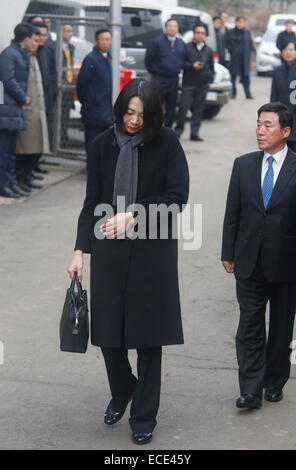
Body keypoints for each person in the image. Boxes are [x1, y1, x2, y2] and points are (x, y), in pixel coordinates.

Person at [67, 79, 189, 445]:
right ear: (120, 110)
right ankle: (123, 388)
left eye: (141, 114)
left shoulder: (166, 142)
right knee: (108, 334)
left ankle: (144, 416)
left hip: (152, 253)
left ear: (153, 115)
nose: (134, 121)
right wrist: (78, 251)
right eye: (128, 112)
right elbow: (92, 201)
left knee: (149, 339)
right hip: (109, 249)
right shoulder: (103, 144)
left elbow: (177, 196)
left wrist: (133, 214)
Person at [221, 102, 296, 410]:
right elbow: (232, 212)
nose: (260, 131)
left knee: (280, 329)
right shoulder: (244, 165)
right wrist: (228, 251)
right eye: (258, 124)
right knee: (249, 326)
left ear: (286, 131)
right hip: (248, 259)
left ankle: (275, 380)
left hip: (287, 262)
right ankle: (250, 389)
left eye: (268, 125)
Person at [0, 23, 38, 198]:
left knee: (10, 152)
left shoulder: (20, 54)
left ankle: (11, 183)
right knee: (4, 152)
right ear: (26, 38)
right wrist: (23, 97)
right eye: (33, 38)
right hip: (7, 110)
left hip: (14, 110)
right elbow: (8, 80)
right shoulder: (9, 54)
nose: (35, 42)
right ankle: (4, 184)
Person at [15, 25, 49, 193]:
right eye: (34, 40)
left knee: (32, 147)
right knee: (23, 149)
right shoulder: (16, 57)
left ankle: (27, 177)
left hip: (35, 109)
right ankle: (20, 179)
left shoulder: (34, 57)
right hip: (26, 109)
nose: (37, 43)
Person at [76, 29, 113, 170]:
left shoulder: (108, 58)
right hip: (94, 109)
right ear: (96, 41)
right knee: (92, 143)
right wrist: (89, 100)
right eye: (103, 39)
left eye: (108, 39)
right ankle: (92, 171)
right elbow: (82, 84)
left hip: (105, 108)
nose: (106, 42)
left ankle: (101, 170)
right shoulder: (91, 59)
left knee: (105, 142)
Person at [174, 23, 214, 141]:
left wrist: (209, 77)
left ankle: (194, 133)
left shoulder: (208, 50)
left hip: (202, 84)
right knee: (183, 108)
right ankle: (178, 130)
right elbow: (181, 63)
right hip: (188, 83)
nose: (200, 35)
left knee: (198, 109)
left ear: (205, 35)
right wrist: (192, 66)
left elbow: (212, 66)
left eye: (202, 33)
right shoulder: (187, 48)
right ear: (194, 34)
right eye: (198, 33)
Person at [145, 19, 185, 128]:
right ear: (165, 28)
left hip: (174, 78)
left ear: (177, 28)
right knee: (157, 104)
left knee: (172, 105)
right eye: (170, 26)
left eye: (175, 26)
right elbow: (148, 61)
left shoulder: (180, 43)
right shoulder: (156, 42)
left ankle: (168, 129)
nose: (172, 28)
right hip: (159, 78)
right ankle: (153, 128)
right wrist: (156, 71)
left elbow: (183, 59)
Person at [29, 18, 58, 161]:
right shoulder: (30, 52)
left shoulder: (48, 48)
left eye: (45, 35)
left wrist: (52, 93)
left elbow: (52, 73)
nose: (42, 38)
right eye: (39, 35)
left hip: (46, 97)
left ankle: (37, 162)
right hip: (33, 100)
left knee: (44, 130)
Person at [270, 41, 296, 152]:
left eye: (291, 50)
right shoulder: (278, 71)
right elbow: (274, 95)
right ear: (281, 53)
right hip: (281, 118)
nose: (288, 52)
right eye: (285, 50)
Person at [225, 16, 255, 99]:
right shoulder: (230, 32)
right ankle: (233, 93)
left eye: (243, 22)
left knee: (246, 77)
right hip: (234, 59)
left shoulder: (247, 32)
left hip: (244, 59)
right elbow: (227, 44)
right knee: (233, 77)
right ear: (236, 22)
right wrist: (232, 51)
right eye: (240, 22)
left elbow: (250, 44)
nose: (241, 24)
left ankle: (248, 94)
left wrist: (250, 52)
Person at [60, 24, 75, 148]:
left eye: (71, 31)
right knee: (58, 113)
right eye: (67, 31)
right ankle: (58, 138)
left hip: (69, 84)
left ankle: (64, 136)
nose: (70, 34)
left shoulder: (71, 47)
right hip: (61, 84)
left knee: (66, 112)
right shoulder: (56, 47)